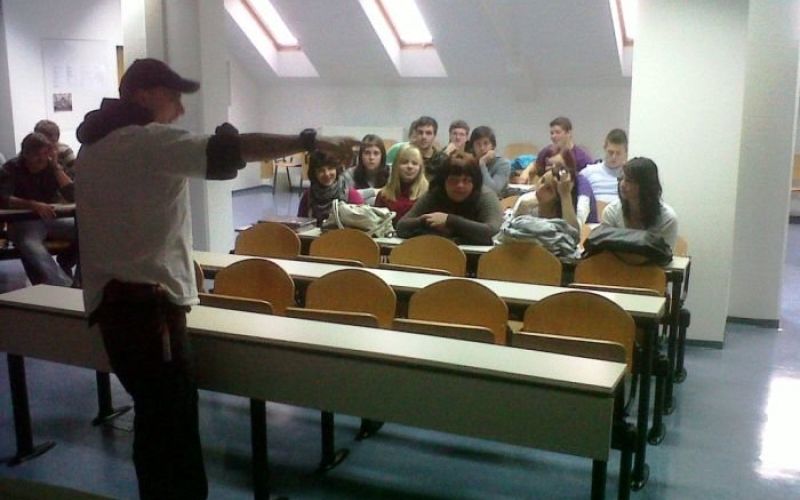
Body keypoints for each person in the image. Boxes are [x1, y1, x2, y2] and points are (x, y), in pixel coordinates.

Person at [75, 58, 355, 499]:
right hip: (148, 309)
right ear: (143, 95)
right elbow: (235, 150)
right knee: (172, 423)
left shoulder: (93, 146)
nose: (180, 109)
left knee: (155, 418)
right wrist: (309, 140)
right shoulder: (145, 142)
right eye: (173, 98)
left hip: (114, 305)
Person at [0, 132, 77, 286]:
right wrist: (33, 204)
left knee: (88, 229)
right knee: (31, 245)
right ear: (25, 154)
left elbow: (72, 195)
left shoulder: (50, 167)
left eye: (45, 154)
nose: (42, 159)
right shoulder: (11, 168)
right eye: (37, 155)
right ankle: (65, 285)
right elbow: (3, 198)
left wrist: (56, 168)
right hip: (23, 222)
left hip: (50, 218)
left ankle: (69, 265)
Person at [397, 151, 502, 245]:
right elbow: (401, 227)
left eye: (466, 180)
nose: (460, 185)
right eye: (453, 180)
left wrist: (450, 220)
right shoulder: (434, 194)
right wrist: (425, 221)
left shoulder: (485, 196)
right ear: (443, 182)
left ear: (475, 183)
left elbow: (492, 230)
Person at [601, 157, 678, 248]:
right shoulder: (611, 212)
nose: (622, 185)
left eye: (629, 181)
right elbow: (604, 251)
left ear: (645, 185)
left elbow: (664, 255)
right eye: (621, 179)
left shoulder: (667, 219)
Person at [513, 148, 597, 229]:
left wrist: (565, 195)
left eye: (548, 189)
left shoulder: (576, 188)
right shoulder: (526, 201)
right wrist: (520, 212)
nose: (540, 189)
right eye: (542, 181)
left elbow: (573, 232)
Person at [298, 149, 364, 225]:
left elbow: (363, 224)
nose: (326, 174)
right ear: (314, 174)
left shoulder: (351, 195)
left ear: (337, 169)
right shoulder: (308, 196)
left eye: (330, 168)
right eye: (321, 170)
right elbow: (300, 225)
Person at [518, 116, 593, 182]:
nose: (553, 136)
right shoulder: (547, 151)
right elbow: (535, 165)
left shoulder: (582, 157)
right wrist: (526, 172)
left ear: (569, 133)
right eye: (552, 133)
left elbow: (589, 179)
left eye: (557, 132)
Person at [375, 144, 428, 224]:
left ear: (420, 168)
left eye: (414, 163)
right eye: (404, 162)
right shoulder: (383, 195)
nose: (410, 166)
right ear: (396, 166)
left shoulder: (428, 195)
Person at [580, 128, 628, 204]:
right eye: (610, 152)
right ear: (604, 148)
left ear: (625, 153)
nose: (614, 157)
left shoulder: (629, 176)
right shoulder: (588, 172)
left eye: (618, 153)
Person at [342, 134, 388, 205]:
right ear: (361, 156)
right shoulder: (349, 174)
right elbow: (346, 196)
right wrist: (374, 191)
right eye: (367, 153)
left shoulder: (392, 172)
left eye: (376, 153)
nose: (371, 157)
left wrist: (363, 197)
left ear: (382, 156)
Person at [469, 125, 511, 196]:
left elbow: (493, 191)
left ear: (493, 146)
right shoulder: (469, 163)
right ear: (473, 147)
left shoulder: (503, 164)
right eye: (478, 144)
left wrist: (482, 164)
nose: (482, 148)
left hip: (496, 200)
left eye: (486, 143)